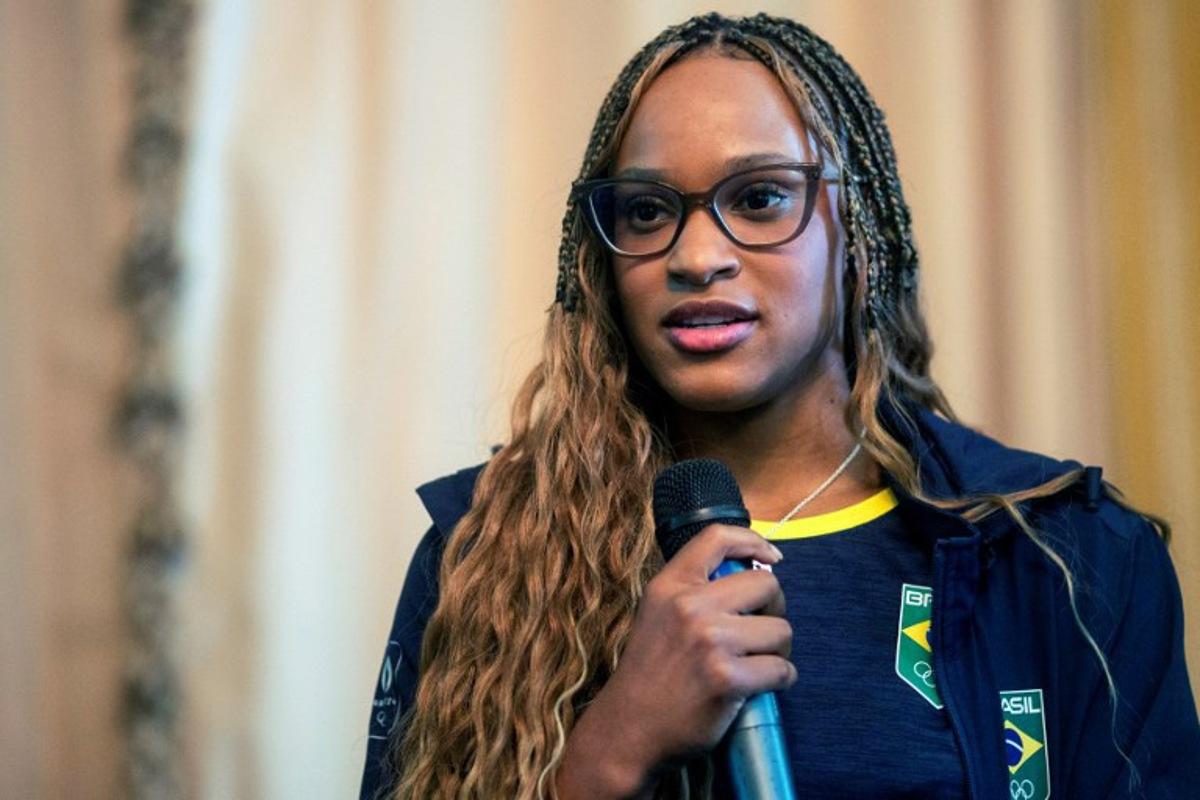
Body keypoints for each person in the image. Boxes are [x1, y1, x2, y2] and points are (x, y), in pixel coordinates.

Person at [359, 11, 1199, 800]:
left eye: (759, 198)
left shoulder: (1067, 555)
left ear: (857, 228)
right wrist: (610, 750)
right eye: (647, 211)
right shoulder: (485, 551)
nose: (695, 255)